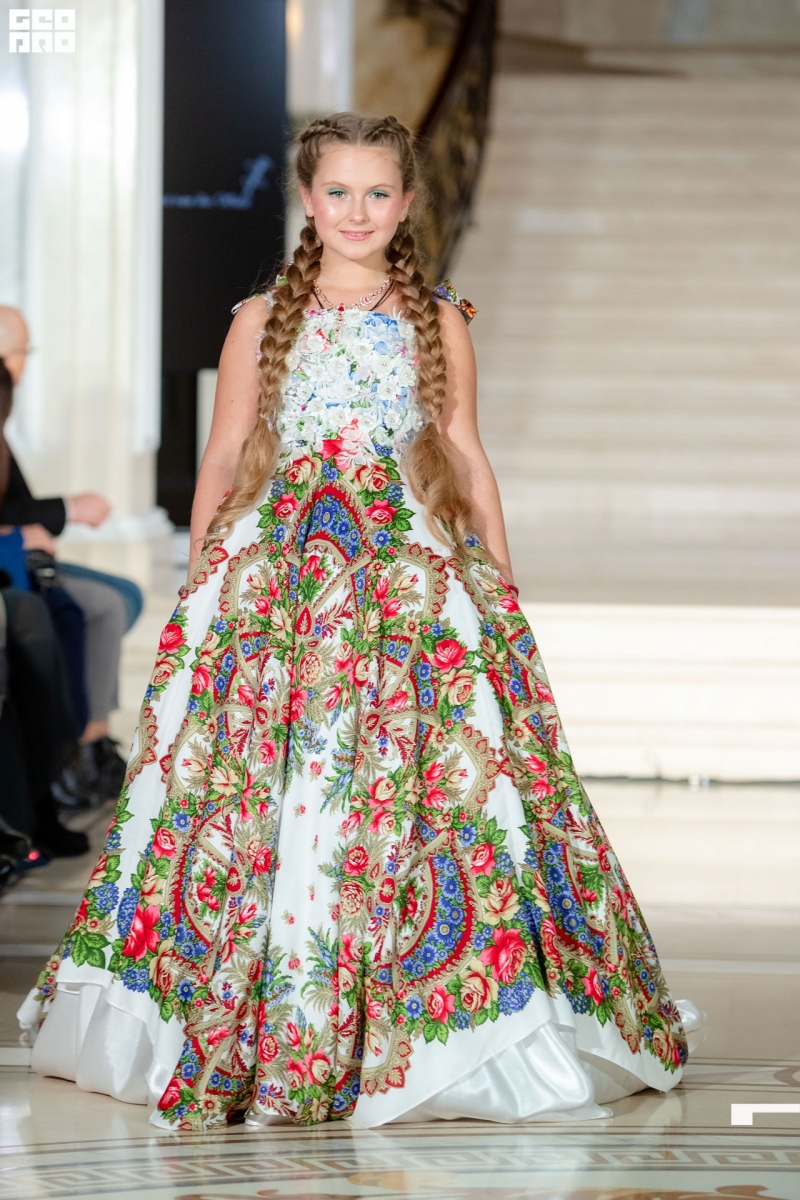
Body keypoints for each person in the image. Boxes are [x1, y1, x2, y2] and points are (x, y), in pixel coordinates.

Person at [18, 113, 701, 1130]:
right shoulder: (261, 319)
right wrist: (203, 578)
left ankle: (427, 1011)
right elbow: (224, 454)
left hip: (407, 573)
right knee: (256, 778)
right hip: (278, 573)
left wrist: (498, 581)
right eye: (337, 192)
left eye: (377, 193)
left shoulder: (438, 317)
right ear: (307, 201)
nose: (357, 211)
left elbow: (462, 450)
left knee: (425, 776)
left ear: (407, 203)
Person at [0, 308, 144, 801]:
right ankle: (81, 748)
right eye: (22, 353)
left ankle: (90, 740)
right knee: (103, 606)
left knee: (125, 595)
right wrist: (53, 516)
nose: (24, 363)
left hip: (17, 549)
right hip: (11, 557)